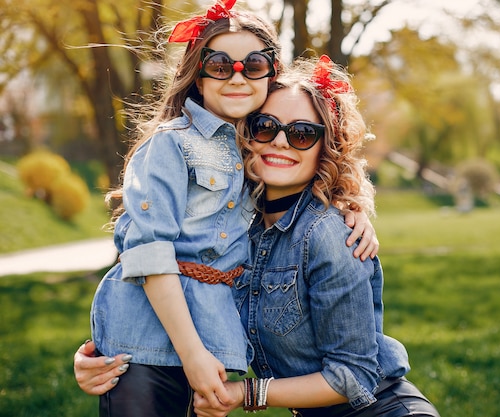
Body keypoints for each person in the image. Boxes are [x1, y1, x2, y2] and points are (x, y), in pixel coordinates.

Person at [86, 1, 378, 415]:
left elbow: (309, 175)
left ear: (270, 74)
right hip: (151, 345)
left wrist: (353, 206)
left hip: (209, 346)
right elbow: (148, 254)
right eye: (221, 65)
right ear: (198, 75)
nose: (237, 76)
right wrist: (189, 356)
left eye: (253, 65)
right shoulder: (172, 144)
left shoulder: (249, 154)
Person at [189, 55, 440, 417]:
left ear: (326, 147)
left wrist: (247, 393)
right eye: (265, 126)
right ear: (247, 132)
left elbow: (352, 376)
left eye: (302, 134)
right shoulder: (236, 227)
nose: (279, 141)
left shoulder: (330, 235)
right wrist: (103, 354)